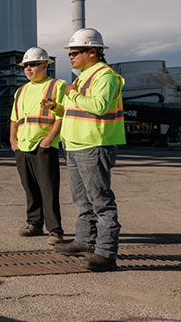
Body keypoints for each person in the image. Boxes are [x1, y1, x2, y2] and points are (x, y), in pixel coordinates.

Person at [50, 28, 125, 272]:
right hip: (74, 145)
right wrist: (57, 108)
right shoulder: (82, 78)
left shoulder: (105, 76)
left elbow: (99, 107)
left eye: (75, 52)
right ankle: (84, 241)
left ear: (93, 51)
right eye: (70, 52)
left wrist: (72, 93)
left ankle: (105, 253)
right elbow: (77, 110)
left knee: (101, 201)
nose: (70, 56)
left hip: (94, 145)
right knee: (82, 200)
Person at [9, 47, 66, 246]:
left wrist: (50, 138)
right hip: (22, 146)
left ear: (45, 66)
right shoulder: (21, 90)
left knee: (48, 189)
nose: (28, 69)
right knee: (30, 187)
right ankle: (34, 224)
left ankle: (55, 230)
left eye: (33, 65)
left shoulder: (57, 86)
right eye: (26, 65)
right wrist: (12, 140)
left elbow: (62, 115)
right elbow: (15, 118)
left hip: (44, 145)